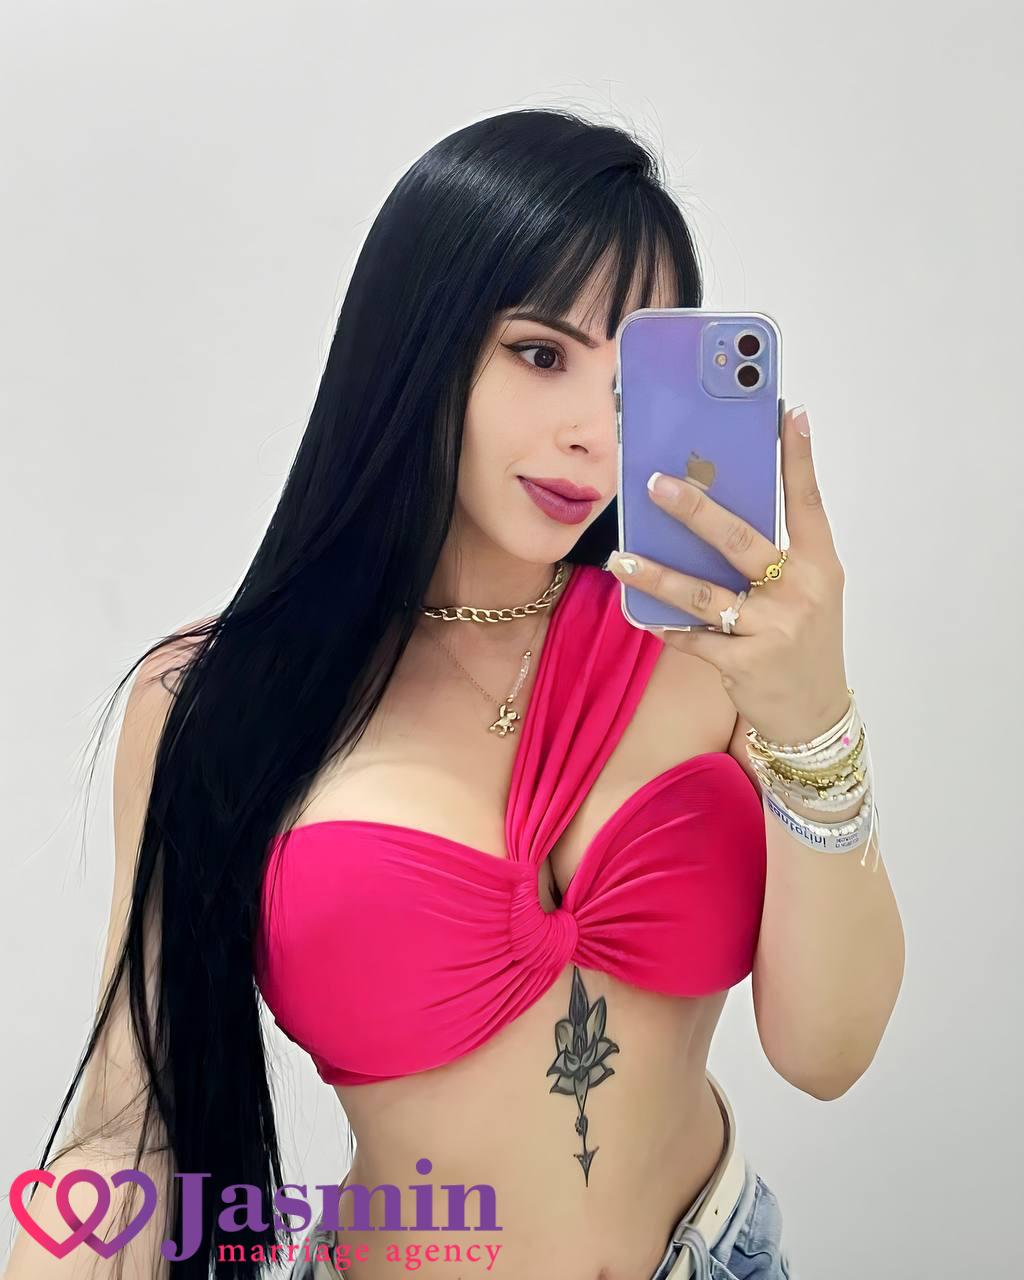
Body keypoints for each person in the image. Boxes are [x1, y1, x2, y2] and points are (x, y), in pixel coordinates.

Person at [9, 107, 905, 1280]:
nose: (591, 435)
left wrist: (813, 716)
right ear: (416, 342)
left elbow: (828, 1051)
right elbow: (133, 1113)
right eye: (539, 354)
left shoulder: (710, 654)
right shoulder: (214, 699)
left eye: (627, 380)